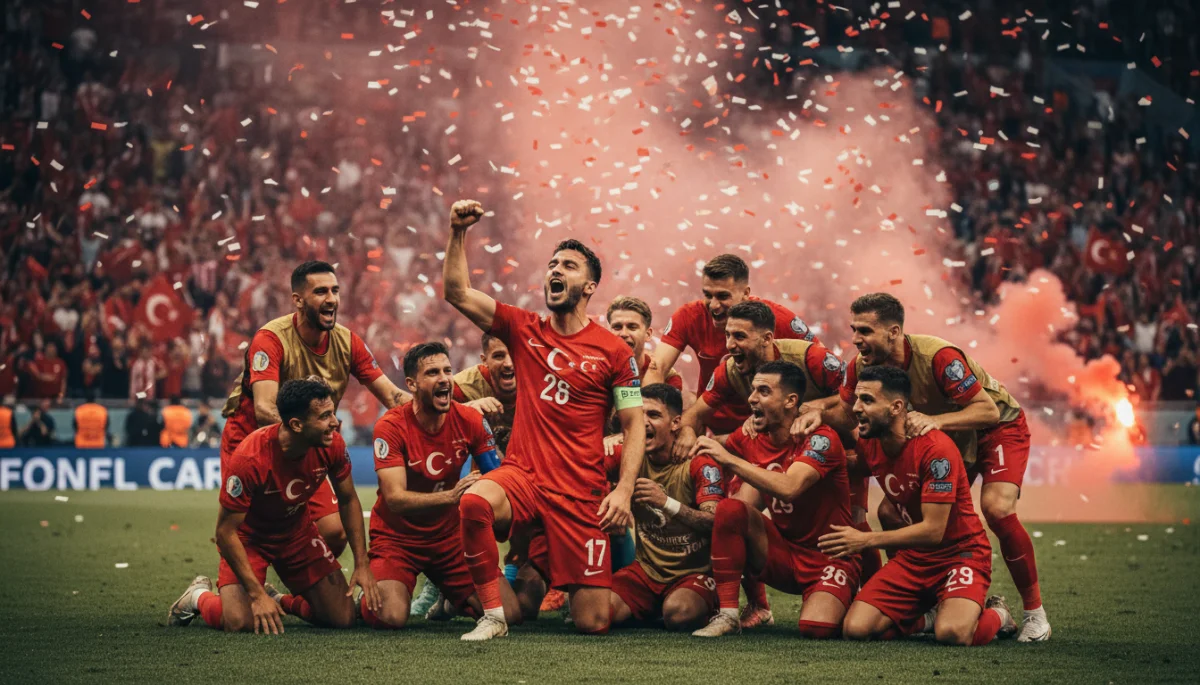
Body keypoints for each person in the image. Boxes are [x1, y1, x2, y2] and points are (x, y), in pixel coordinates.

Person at [443, 199, 645, 640]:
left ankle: (551, 565)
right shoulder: (523, 328)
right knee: (475, 503)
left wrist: (624, 491)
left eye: (568, 266)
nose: (556, 270)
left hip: (579, 491)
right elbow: (457, 293)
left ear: (589, 286)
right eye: (553, 264)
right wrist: (457, 232)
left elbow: (634, 425)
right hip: (525, 476)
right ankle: (492, 615)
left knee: (594, 622)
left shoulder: (614, 352)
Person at [812, 293, 1049, 642]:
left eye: (865, 330)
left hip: (995, 427)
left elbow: (987, 411)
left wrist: (936, 421)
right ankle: (925, 598)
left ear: (894, 332)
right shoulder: (860, 367)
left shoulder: (938, 357)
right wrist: (811, 413)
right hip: (946, 436)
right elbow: (846, 413)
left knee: (996, 509)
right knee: (890, 511)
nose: (856, 339)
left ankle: (1034, 614)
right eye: (854, 330)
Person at [219, 260, 412, 559]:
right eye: (321, 291)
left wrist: (453, 409)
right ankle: (228, 585)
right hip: (251, 442)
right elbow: (265, 410)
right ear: (298, 300)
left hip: (306, 443)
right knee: (249, 535)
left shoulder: (348, 342)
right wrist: (313, 431)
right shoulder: (271, 339)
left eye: (335, 290)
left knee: (334, 533)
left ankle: (294, 584)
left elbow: (393, 396)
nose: (332, 299)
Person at [818, 365, 1016, 646]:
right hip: (914, 559)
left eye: (867, 400)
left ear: (896, 407)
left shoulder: (936, 451)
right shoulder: (870, 442)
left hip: (960, 554)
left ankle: (999, 615)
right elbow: (850, 465)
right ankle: (930, 617)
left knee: (953, 634)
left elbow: (933, 531)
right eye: (857, 399)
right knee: (856, 629)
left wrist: (865, 540)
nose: (857, 408)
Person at [167, 379, 378, 633]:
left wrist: (361, 563)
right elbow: (224, 532)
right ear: (297, 425)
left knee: (343, 618)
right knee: (240, 623)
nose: (335, 422)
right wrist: (256, 595)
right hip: (249, 540)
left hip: (297, 535)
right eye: (324, 416)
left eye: (332, 412)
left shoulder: (332, 444)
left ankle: (279, 601)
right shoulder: (250, 458)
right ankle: (198, 597)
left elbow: (348, 499)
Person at [690, 361, 857, 638]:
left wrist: (728, 459)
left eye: (764, 391)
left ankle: (854, 595)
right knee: (730, 510)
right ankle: (731, 614)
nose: (752, 398)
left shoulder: (820, 439)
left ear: (791, 401)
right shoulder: (751, 435)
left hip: (829, 557)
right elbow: (715, 444)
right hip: (784, 556)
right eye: (753, 390)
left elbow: (790, 487)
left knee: (817, 628)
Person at [361, 342, 522, 630]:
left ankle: (451, 598)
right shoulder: (390, 426)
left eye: (448, 371)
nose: (445, 379)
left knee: (509, 613)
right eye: (432, 372)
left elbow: (497, 477)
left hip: (450, 539)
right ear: (412, 384)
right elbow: (395, 499)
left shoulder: (471, 420)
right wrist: (452, 497)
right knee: (390, 617)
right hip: (398, 539)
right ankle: (369, 592)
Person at [643, 253, 815, 434]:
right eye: (708, 295)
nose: (713, 305)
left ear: (746, 294)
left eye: (723, 296)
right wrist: (647, 417)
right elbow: (657, 367)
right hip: (710, 418)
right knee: (684, 403)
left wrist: (816, 407)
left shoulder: (776, 319)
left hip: (764, 425)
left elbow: (819, 359)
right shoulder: (689, 316)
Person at [606, 383, 724, 631]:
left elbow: (715, 523)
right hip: (645, 572)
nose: (644, 422)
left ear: (675, 423)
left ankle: (710, 603)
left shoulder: (699, 463)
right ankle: (649, 607)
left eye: (654, 415)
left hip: (692, 573)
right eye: (639, 415)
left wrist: (666, 503)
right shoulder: (626, 456)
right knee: (602, 610)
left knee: (679, 614)